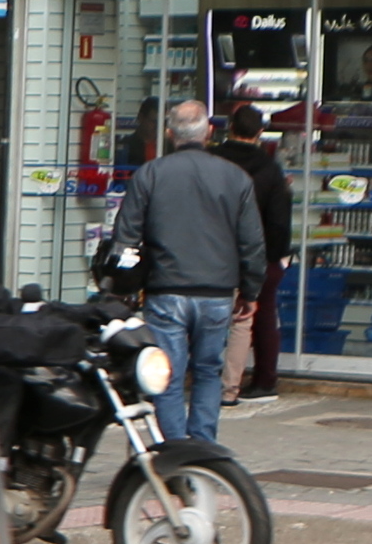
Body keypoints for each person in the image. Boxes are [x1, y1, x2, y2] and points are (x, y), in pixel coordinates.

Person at [103, 101, 264, 448]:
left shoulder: (150, 174)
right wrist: (250, 292)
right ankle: (202, 449)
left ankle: (171, 450)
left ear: (169, 133)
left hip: (165, 288)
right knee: (208, 371)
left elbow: (125, 237)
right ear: (209, 132)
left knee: (167, 375)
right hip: (217, 292)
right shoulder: (236, 177)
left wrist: (120, 288)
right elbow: (252, 242)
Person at [210, 99, 296, 405]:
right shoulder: (270, 169)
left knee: (207, 317)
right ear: (260, 132)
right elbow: (278, 220)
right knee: (258, 317)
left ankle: (199, 378)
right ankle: (260, 381)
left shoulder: (212, 160)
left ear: (230, 128)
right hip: (258, 255)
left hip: (213, 252)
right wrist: (277, 257)